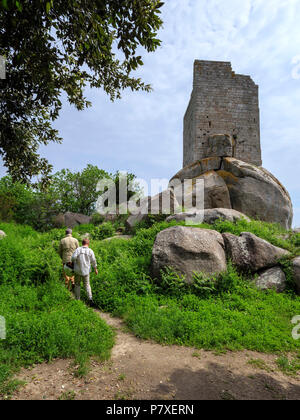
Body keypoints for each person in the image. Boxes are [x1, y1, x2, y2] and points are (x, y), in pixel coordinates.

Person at [71, 238, 98, 306]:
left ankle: (77, 300)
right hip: (86, 271)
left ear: (82, 243)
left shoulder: (78, 249)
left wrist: (75, 261)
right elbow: (93, 261)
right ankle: (90, 299)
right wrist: (95, 269)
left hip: (78, 271)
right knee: (87, 285)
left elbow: (73, 258)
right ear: (88, 244)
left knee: (77, 284)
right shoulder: (90, 251)